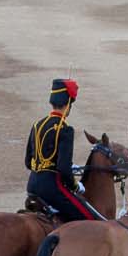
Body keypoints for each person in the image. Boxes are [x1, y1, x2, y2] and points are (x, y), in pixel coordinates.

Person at [25, 80, 99, 224]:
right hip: (51, 188)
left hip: (32, 185)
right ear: (68, 104)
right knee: (90, 220)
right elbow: (63, 169)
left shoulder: (37, 125)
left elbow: (29, 162)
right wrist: (76, 186)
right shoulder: (64, 129)